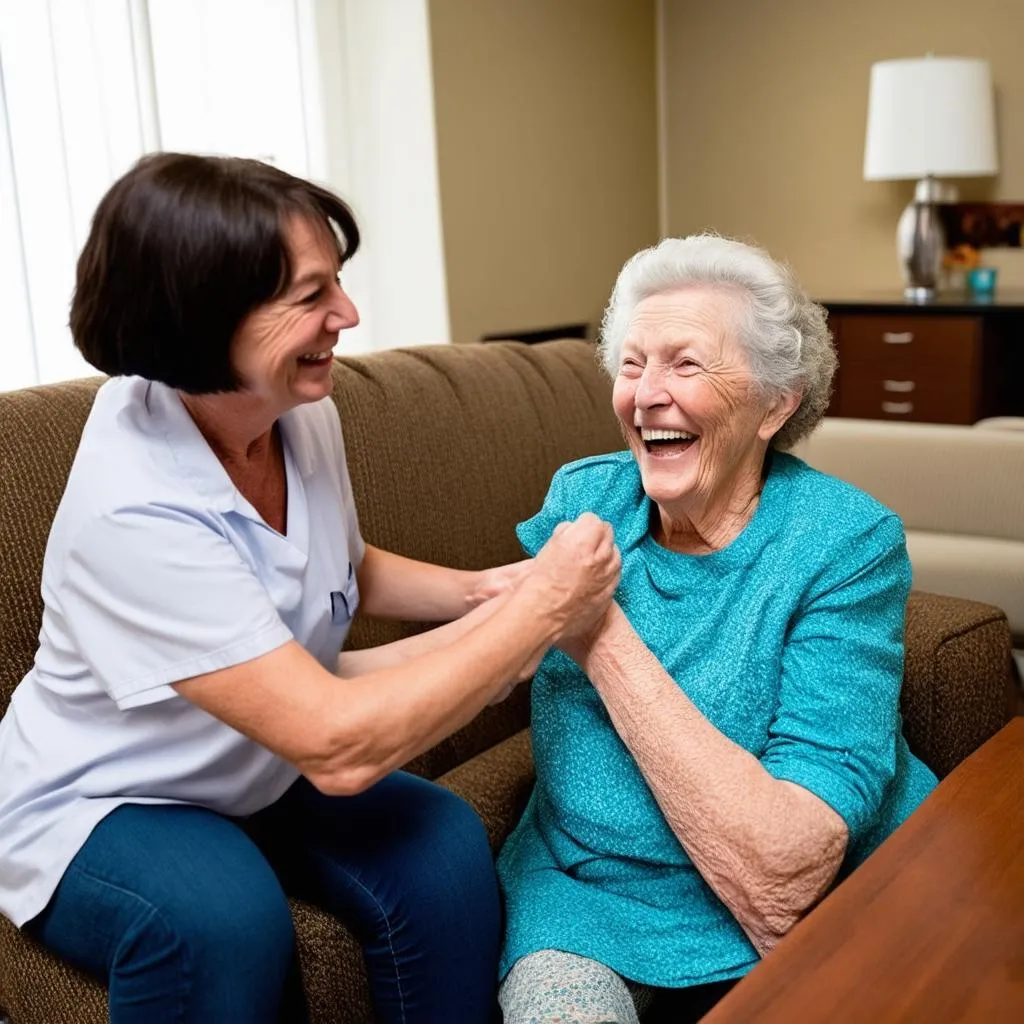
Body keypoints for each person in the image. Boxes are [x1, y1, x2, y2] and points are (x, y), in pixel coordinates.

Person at [0, 153, 620, 1024]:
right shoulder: (133, 511)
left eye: (340, 282)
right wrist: (540, 612)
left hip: (256, 753)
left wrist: (485, 591)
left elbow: (337, 557)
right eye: (310, 295)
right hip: (114, 799)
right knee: (222, 921)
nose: (348, 315)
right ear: (204, 315)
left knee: (439, 846)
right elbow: (339, 748)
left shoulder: (298, 411)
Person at [496, 235, 938, 1024]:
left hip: (829, 895)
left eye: (686, 364)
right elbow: (489, 642)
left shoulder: (843, 541)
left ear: (777, 403)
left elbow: (788, 874)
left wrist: (598, 629)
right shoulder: (582, 506)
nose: (645, 395)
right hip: (588, 903)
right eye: (631, 365)